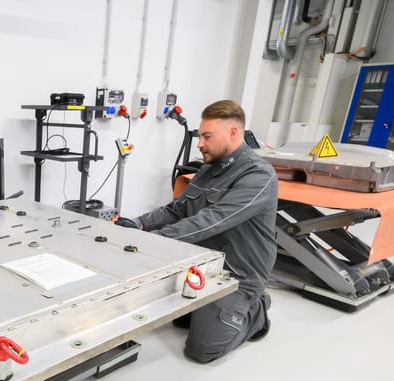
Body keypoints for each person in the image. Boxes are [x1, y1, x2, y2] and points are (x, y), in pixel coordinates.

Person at [119, 100, 278, 363]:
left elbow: (212, 220)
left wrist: (152, 241)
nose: (200, 143)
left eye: (207, 136)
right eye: (200, 136)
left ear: (233, 134)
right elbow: (177, 210)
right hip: (204, 264)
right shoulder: (208, 170)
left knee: (203, 350)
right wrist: (139, 225)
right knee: (179, 320)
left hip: (239, 272)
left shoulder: (258, 176)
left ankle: (257, 306)